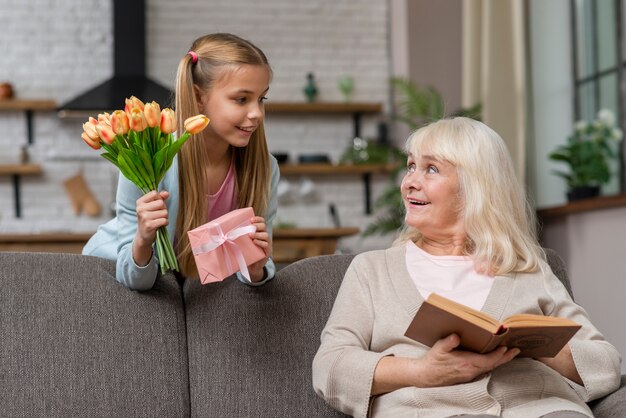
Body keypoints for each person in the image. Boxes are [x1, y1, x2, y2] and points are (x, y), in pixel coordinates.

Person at [312, 117, 622, 418]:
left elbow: (607, 364)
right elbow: (330, 366)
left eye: (430, 169)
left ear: (476, 186)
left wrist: (537, 345)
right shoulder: (371, 271)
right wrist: (421, 371)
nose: (409, 183)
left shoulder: (526, 267)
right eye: (411, 167)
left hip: (541, 409)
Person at [83, 33, 279, 291]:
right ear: (199, 97)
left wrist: (256, 268)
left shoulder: (264, 168)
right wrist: (143, 238)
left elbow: (253, 268)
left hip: (190, 284)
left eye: (261, 99)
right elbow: (135, 279)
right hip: (113, 275)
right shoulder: (150, 161)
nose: (256, 114)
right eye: (241, 99)